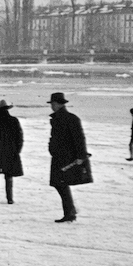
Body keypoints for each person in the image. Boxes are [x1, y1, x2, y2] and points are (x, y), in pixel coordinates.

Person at [48, 92, 91, 223]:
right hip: (59, 156)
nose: (52, 107)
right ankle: (70, 211)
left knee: (60, 183)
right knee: (59, 183)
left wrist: (81, 156)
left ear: (59, 104)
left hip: (67, 157)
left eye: (53, 104)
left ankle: (70, 212)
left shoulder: (71, 118)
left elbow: (79, 138)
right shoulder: (60, 118)